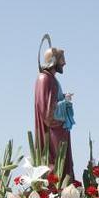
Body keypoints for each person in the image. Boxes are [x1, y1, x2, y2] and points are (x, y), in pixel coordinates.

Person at [34, 44, 74, 179]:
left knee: (64, 168)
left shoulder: (51, 79)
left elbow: (53, 102)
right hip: (52, 133)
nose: (64, 63)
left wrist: (63, 99)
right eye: (62, 59)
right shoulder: (44, 79)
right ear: (54, 61)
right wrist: (65, 102)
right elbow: (48, 113)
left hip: (60, 131)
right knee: (56, 168)